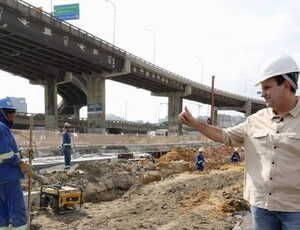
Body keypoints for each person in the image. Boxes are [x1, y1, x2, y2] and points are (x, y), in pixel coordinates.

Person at [178, 54, 300, 229]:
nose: (262, 94)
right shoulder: (255, 120)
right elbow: (225, 136)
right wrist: (195, 124)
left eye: (267, 88)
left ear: (286, 86)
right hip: (261, 207)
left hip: (295, 209)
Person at [0, 97, 32, 230]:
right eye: (9, 112)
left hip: (3, 178)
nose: (12, 115)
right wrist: (20, 163)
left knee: (2, 214)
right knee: (18, 211)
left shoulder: (3, 128)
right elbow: (5, 154)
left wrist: (21, 152)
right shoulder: (1, 128)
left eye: (14, 112)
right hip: (8, 177)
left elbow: (8, 149)